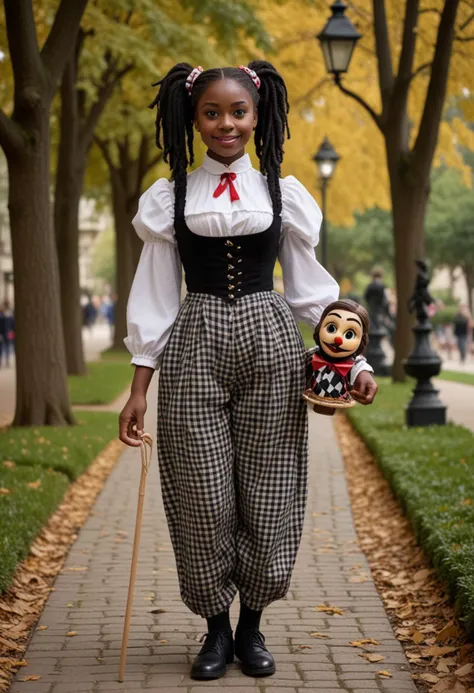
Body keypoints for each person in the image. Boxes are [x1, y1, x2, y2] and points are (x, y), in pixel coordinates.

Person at [119, 62, 378, 681]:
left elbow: (314, 294)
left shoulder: (282, 193)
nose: (226, 124)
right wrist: (137, 389)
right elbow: (154, 296)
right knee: (201, 497)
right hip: (195, 346)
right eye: (212, 113)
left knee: (270, 492)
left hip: (271, 345)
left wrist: (355, 361)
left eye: (238, 112)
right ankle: (213, 629)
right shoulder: (171, 196)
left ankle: (252, 626)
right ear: (194, 119)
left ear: (257, 116)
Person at [0, 301, 14, 368]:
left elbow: (12, 325)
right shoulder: (1, 315)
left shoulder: (10, 315)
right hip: (3, 333)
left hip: (8, 333)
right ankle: (2, 361)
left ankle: (7, 361)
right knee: (2, 348)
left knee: (8, 347)